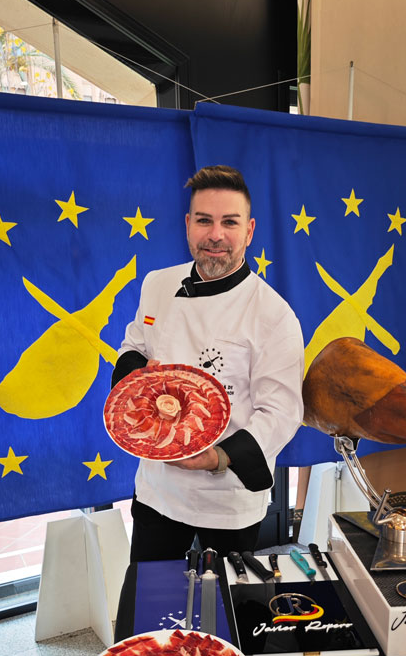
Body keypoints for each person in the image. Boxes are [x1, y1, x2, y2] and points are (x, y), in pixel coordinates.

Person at [111, 165, 304, 560]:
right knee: (153, 602)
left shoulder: (274, 315)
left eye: (229, 222)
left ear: (249, 231)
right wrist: (138, 379)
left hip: (228, 497)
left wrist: (217, 456)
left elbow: (282, 412)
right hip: (158, 487)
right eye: (204, 221)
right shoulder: (157, 284)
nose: (215, 235)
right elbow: (133, 345)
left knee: (227, 610)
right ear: (188, 225)